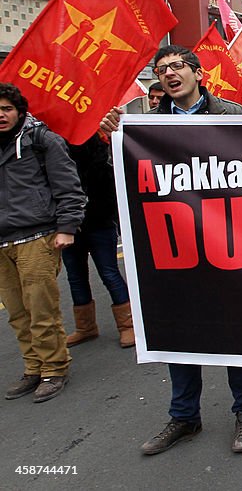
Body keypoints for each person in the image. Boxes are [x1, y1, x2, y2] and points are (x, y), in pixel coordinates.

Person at [100, 45, 242, 455]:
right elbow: (128, 178)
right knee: (179, 329)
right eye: (162, 69)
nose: (170, 74)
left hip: (227, 243)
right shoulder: (146, 126)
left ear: (197, 73)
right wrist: (115, 140)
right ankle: (184, 416)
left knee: (235, 330)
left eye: (177, 66)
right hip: (174, 246)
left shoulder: (232, 115)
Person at [0, 83, 85, 404]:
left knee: (41, 309)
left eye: (6, 108)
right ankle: (33, 367)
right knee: (17, 313)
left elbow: (69, 187)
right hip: (2, 243)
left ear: (19, 111)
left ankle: (53, 368)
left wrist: (67, 227)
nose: (1, 115)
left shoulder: (42, 140)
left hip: (37, 238)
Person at [63, 133, 134, 349]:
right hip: (68, 225)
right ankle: (85, 327)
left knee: (109, 272)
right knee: (75, 276)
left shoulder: (100, 157)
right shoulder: (54, 150)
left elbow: (110, 191)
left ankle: (127, 325)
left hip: (99, 223)